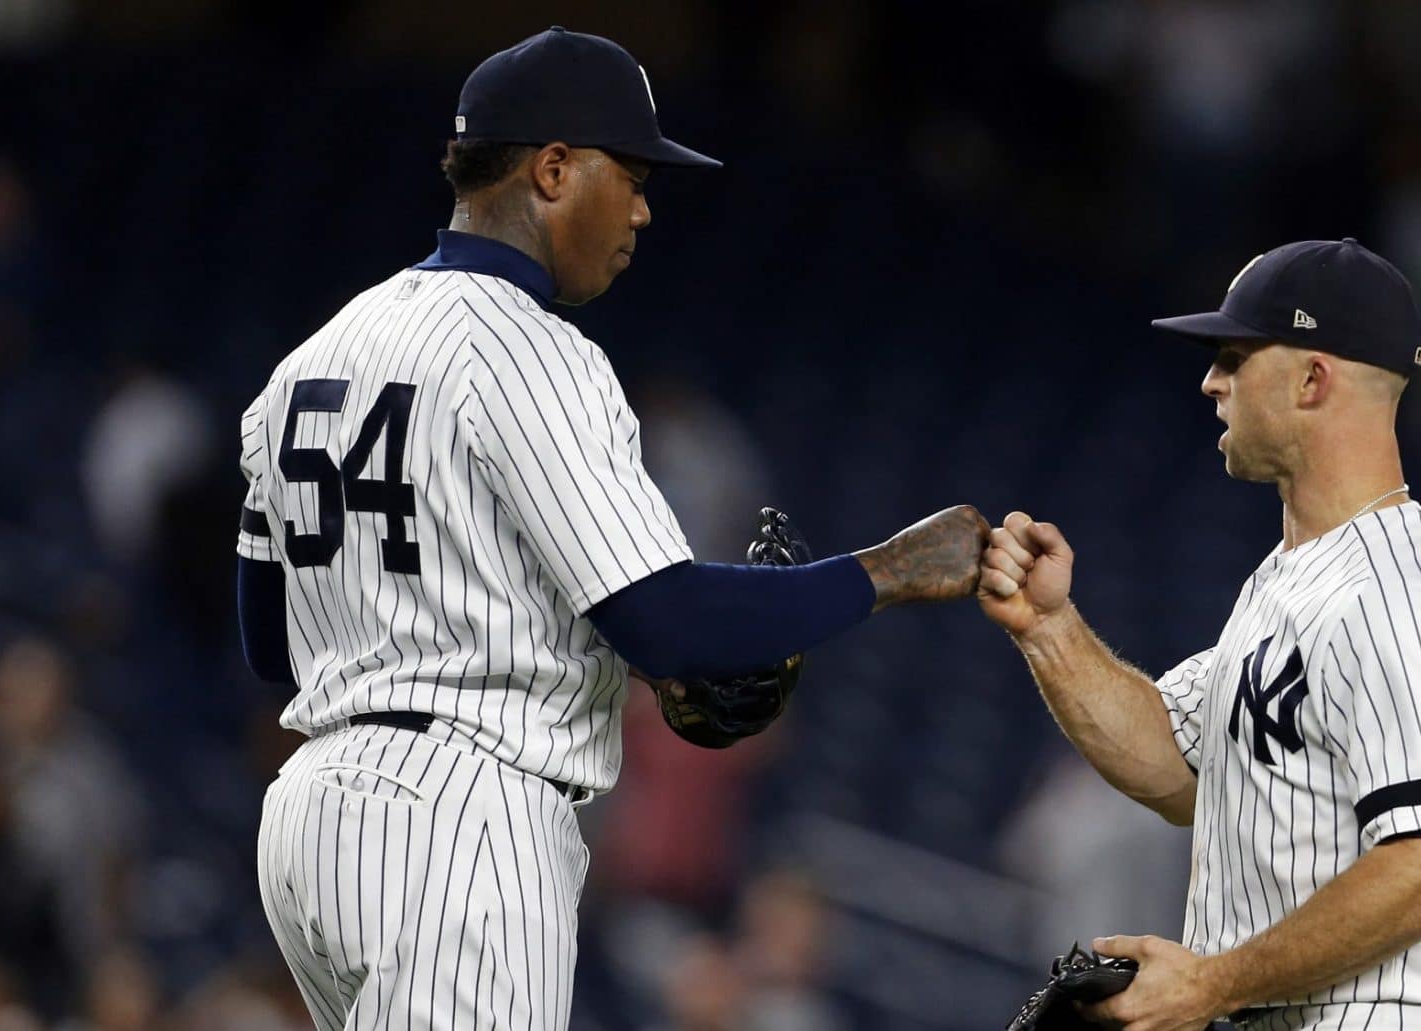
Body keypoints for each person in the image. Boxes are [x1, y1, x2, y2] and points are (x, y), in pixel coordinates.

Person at [234, 28, 986, 1030]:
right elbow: (666, 620)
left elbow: (267, 638)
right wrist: (886, 569)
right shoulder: (533, 349)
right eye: (627, 175)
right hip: (461, 813)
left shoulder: (307, 363)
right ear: (551, 169)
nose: (641, 207)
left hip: (310, 822)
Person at [978, 239, 1421, 1030]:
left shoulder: (1400, 592)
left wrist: (1212, 982)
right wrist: (1051, 630)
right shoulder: (1287, 578)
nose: (1211, 381)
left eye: (1234, 356)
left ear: (1312, 379)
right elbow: (1175, 762)